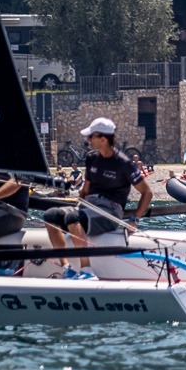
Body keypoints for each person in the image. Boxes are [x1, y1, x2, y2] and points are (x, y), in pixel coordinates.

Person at [41, 117, 151, 278]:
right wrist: (78, 204)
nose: (88, 140)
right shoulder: (91, 157)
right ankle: (66, 268)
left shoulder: (124, 163)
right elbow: (86, 188)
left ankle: (86, 270)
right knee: (50, 215)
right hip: (88, 205)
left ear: (103, 139)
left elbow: (147, 193)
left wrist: (134, 219)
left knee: (73, 218)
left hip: (110, 211)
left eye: (91, 136)